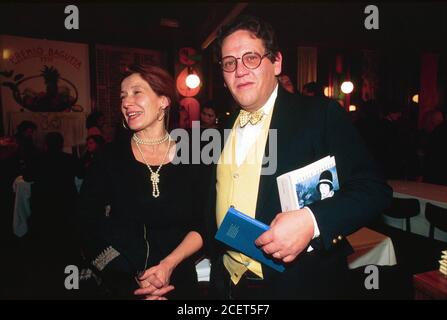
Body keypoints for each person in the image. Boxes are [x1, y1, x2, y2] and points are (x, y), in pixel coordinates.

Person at [207, 15, 391, 299]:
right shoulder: (224, 128)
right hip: (229, 283)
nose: (239, 70)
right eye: (229, 62)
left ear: (276, 62)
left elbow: (373, 190)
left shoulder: (319, 114)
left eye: (251, 58)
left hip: (297, 285)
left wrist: (312, 220)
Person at [78, 63, 205, 300]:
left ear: (164, 101)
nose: (126, 102)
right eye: (123, 96)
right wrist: (134, 276)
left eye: (137, 92)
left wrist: (168, 266)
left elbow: (205, 222)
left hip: (180, 281)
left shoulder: (194, 154)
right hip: (124, 282)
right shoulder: (109, 157)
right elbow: (87, 222)